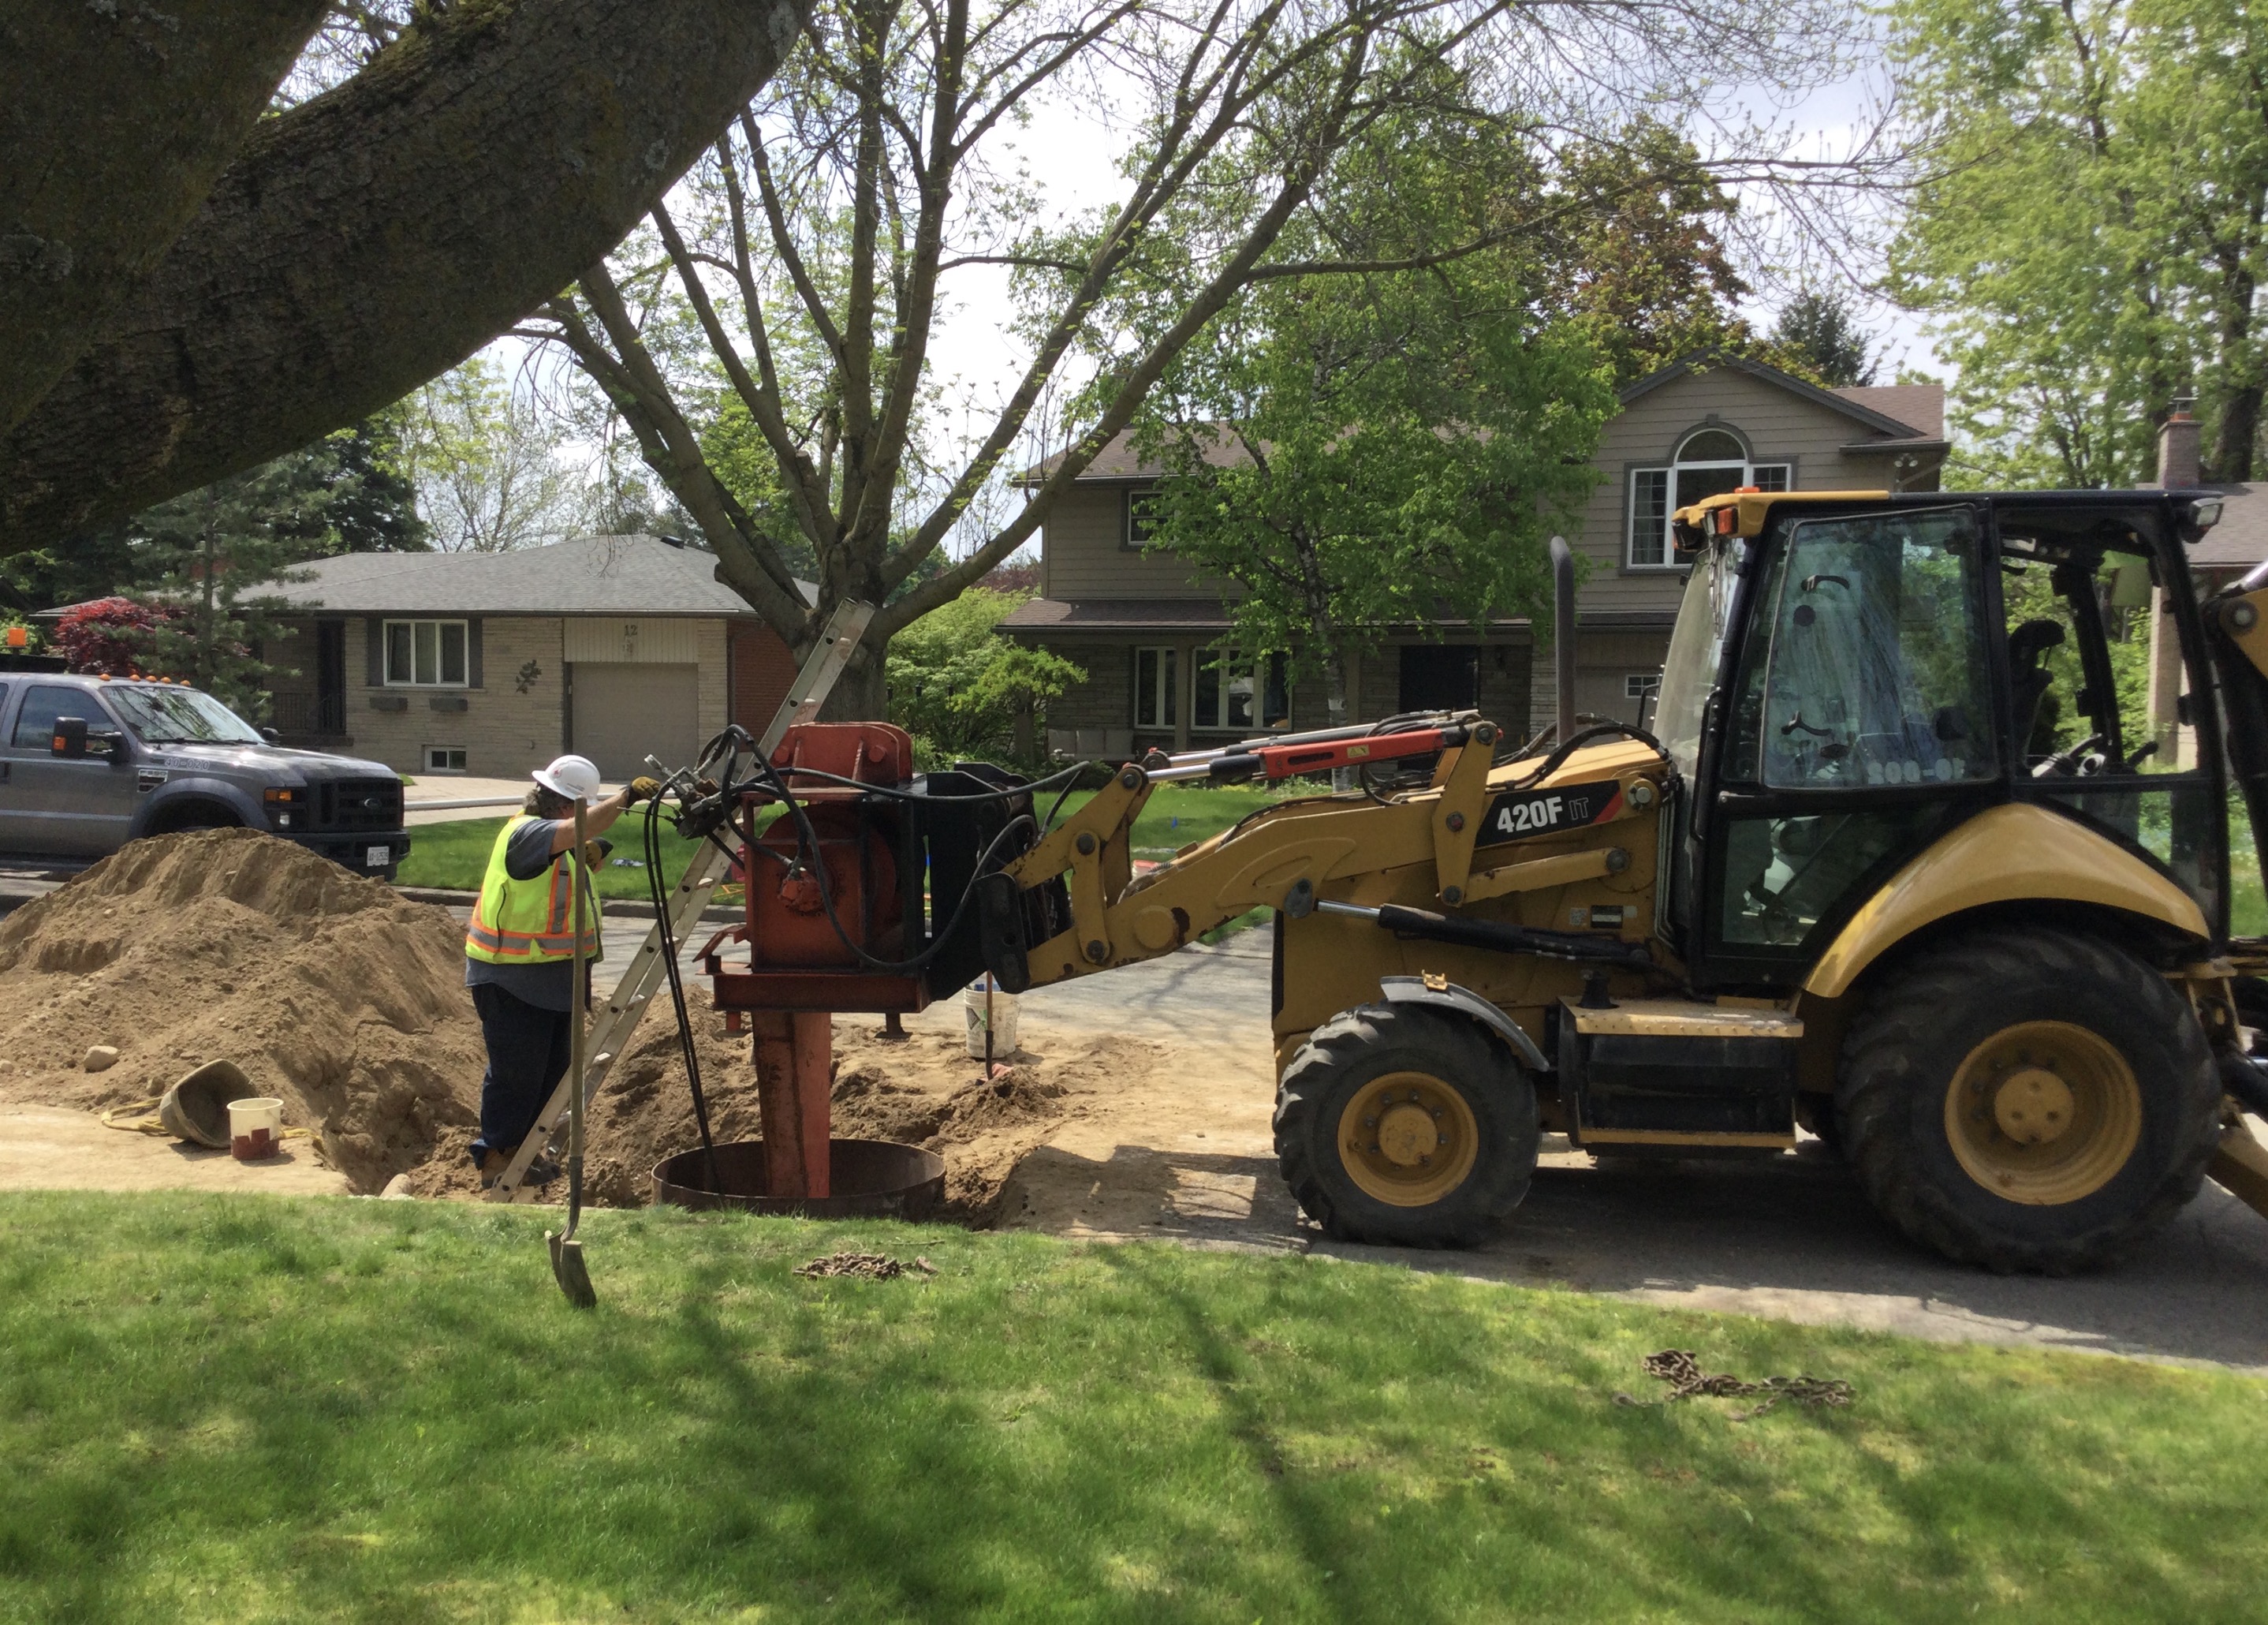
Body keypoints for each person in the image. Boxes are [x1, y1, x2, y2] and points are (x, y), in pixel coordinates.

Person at [463, 754, 659, 1187]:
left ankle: (524, 1153)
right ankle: (497, 1157)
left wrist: (590, 850)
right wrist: (625, 798)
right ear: (566, 806)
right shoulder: (527, 834)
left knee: (550, 1078)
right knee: (516, 1074)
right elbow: (571, 834)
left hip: (554, 980)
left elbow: (570, 855)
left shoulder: (558, 840)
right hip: (512, 977)